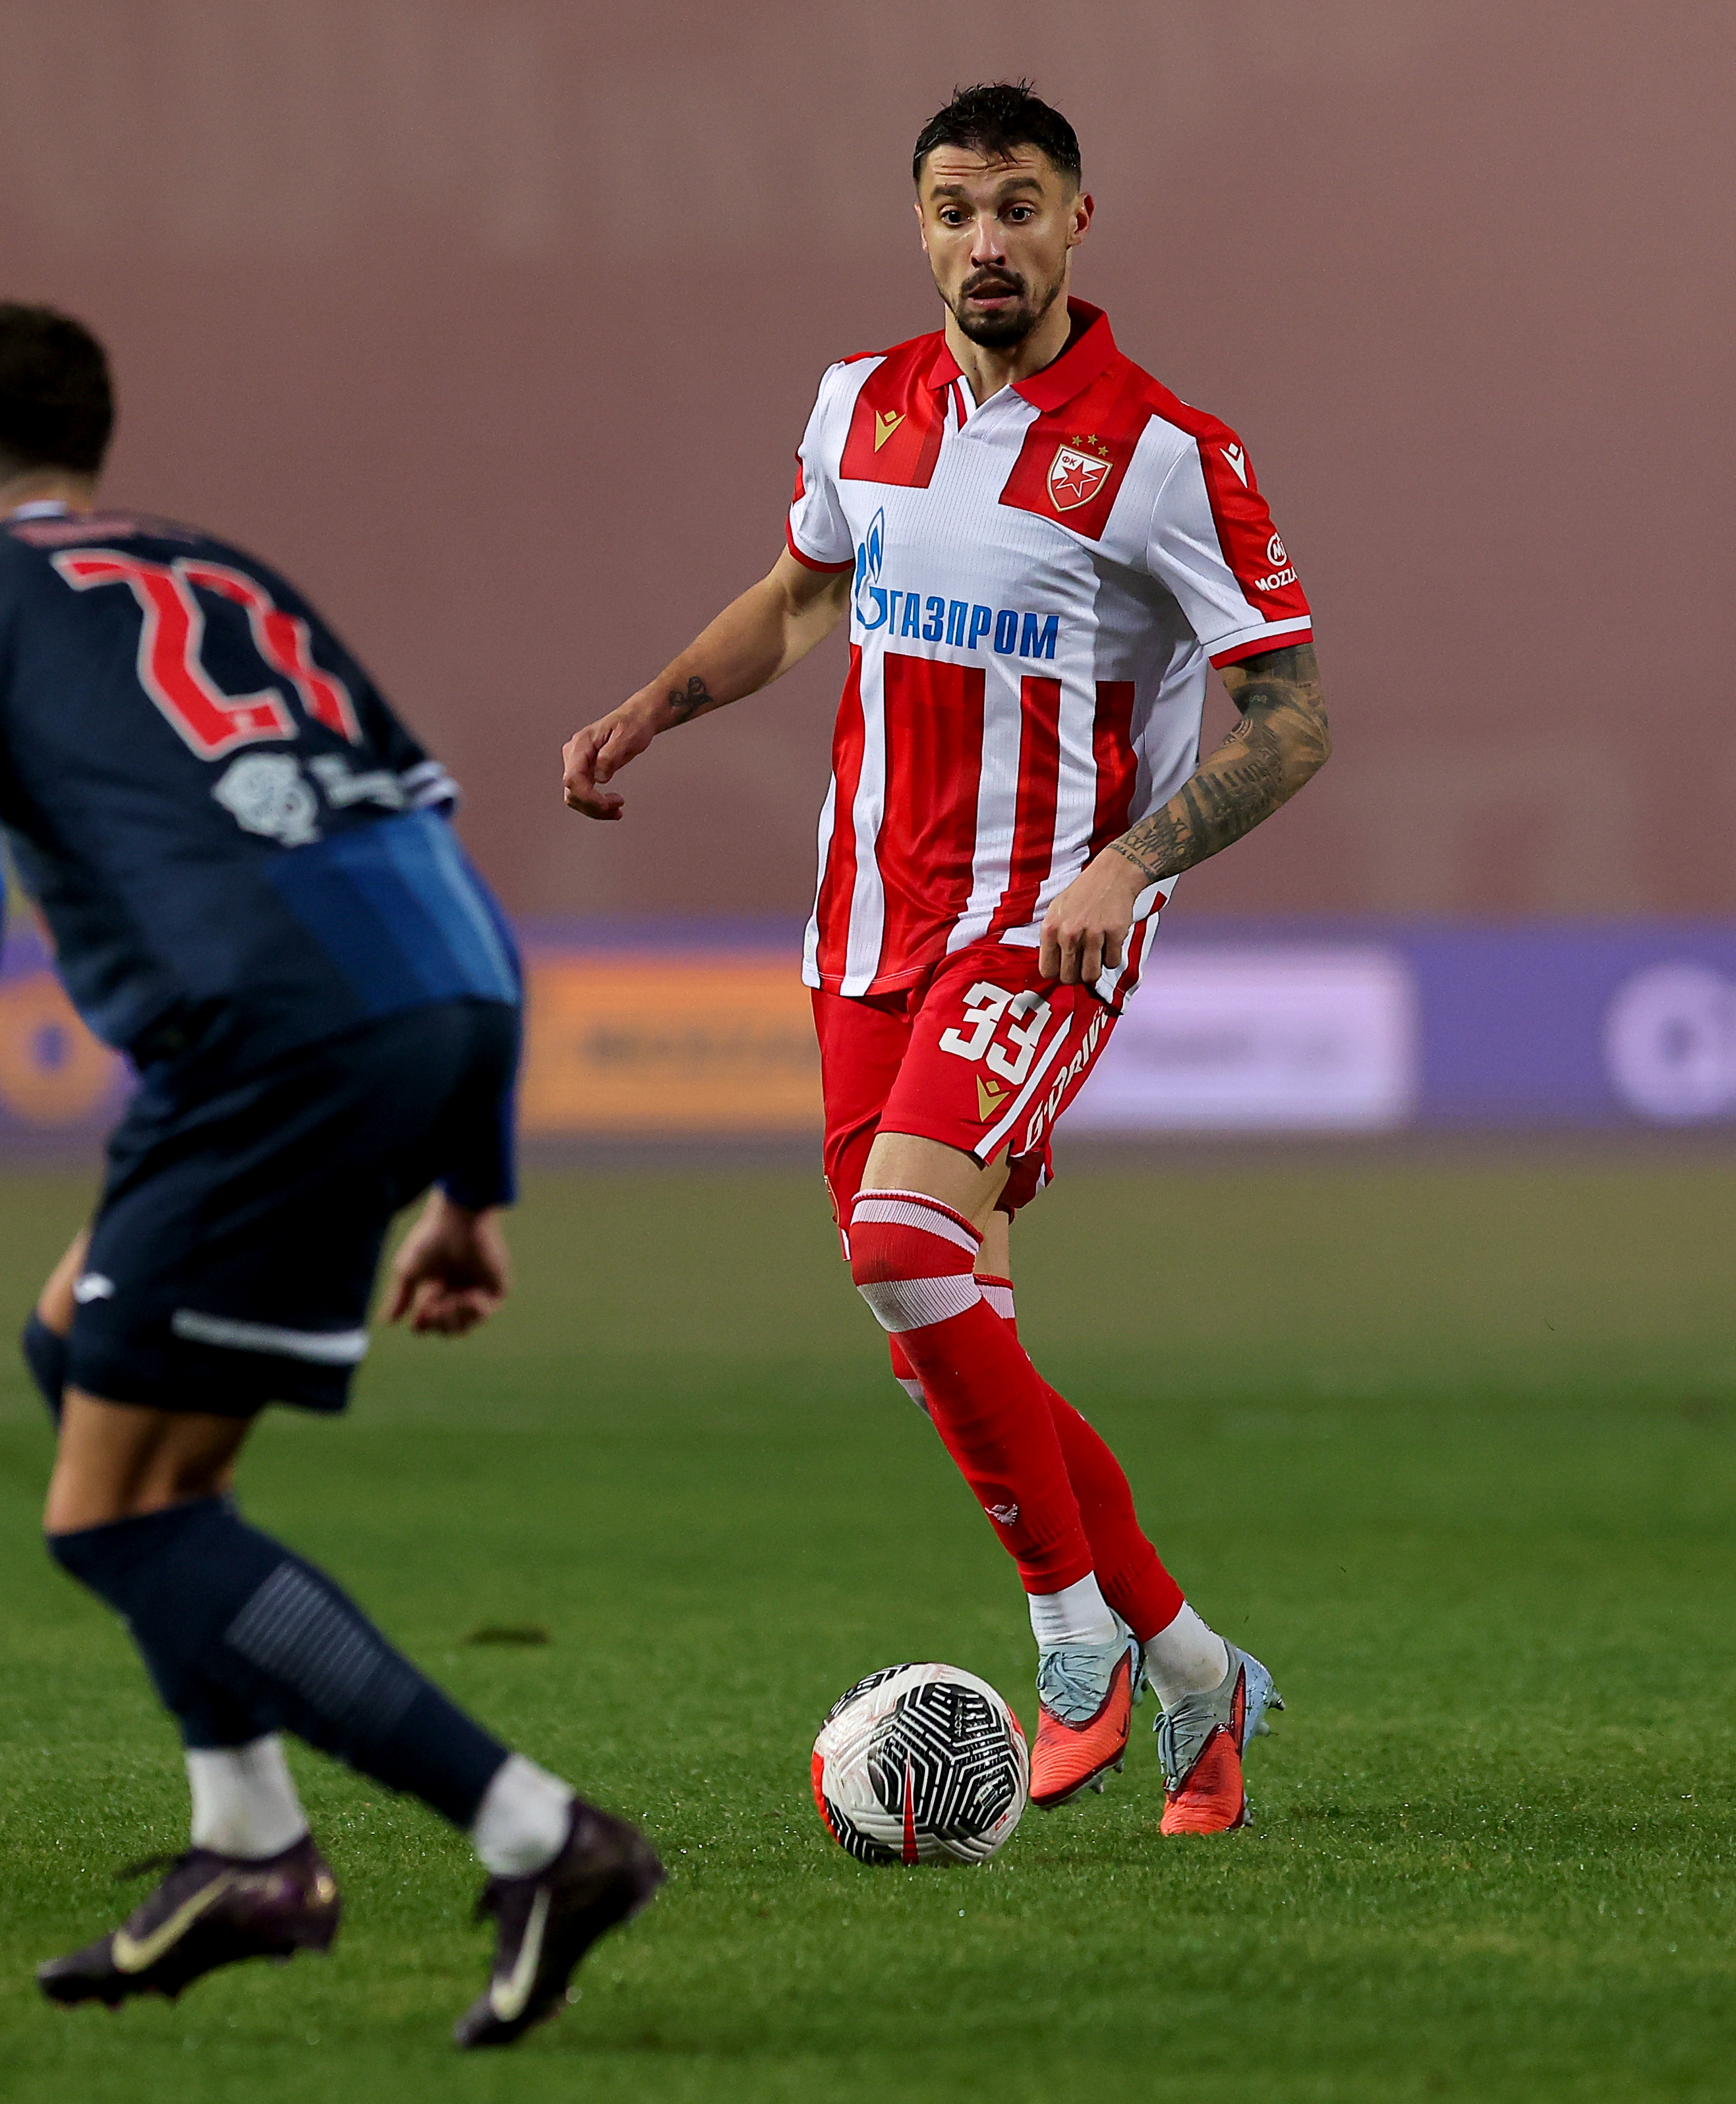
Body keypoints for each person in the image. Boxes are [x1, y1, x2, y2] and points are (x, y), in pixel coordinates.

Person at [0, 303, 660, 2045]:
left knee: (117, 1517)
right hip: (435, 1004)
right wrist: (472, 1186)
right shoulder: (227, 573)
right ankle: (250, 1847)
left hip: (264, 1040)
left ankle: (533, 1833)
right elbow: (437, 862)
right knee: (75, 1350)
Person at [560, 84, 1328, 1836]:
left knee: (904, 1244)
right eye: (955, 210)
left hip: (1039, 925)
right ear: (918, 226)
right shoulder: (861, 402)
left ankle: (1074, 1638)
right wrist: (655, 705)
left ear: (1077, 222)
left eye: (1019, 207)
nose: (987, 242)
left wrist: (1127, 865)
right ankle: (1194, 1672)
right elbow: (799, 597)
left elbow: (1291, 721)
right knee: (935, 1331)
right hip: (862, 927)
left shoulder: (1165, 454)